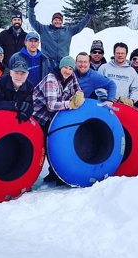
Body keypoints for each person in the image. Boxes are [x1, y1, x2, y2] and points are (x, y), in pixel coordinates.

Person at [32, 56, 85, 184]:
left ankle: (55, 173)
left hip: (55, 116)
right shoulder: (51, 79)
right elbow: (51, 106)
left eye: (71, 68)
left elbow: (77, 88)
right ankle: (32, 176)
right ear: (60, 67)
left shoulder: (71, 77)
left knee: (56, 143)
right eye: (66, 67)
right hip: (39, 117)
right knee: (43, 145)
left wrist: (79, 94)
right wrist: (70, 104)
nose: (68, 71)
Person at [27, 0, 94, 68]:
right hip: (47, 62)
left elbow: (80, 25)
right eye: (55, 20)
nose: (57, 21)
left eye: (59, 20)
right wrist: (31, 8)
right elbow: (32, 21)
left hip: (63, 62)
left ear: (61, 22)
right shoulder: (44, 29)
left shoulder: (68, 31)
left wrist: (89, 14)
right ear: (52, 21)